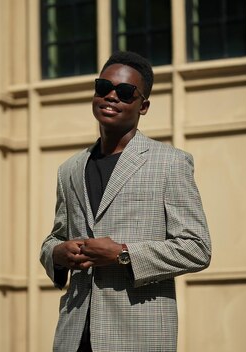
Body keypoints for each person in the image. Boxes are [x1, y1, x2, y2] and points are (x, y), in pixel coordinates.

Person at [40, 51, 211, 352]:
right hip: (73, 335)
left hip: (137, 336)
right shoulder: (69, 169)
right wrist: (56, 253)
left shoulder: (170, 163)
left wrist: (123, 253)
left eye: (125, 92)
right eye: (103, 87)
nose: (111, 96)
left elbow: (197, 248)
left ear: (143, 106)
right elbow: (56, 235)